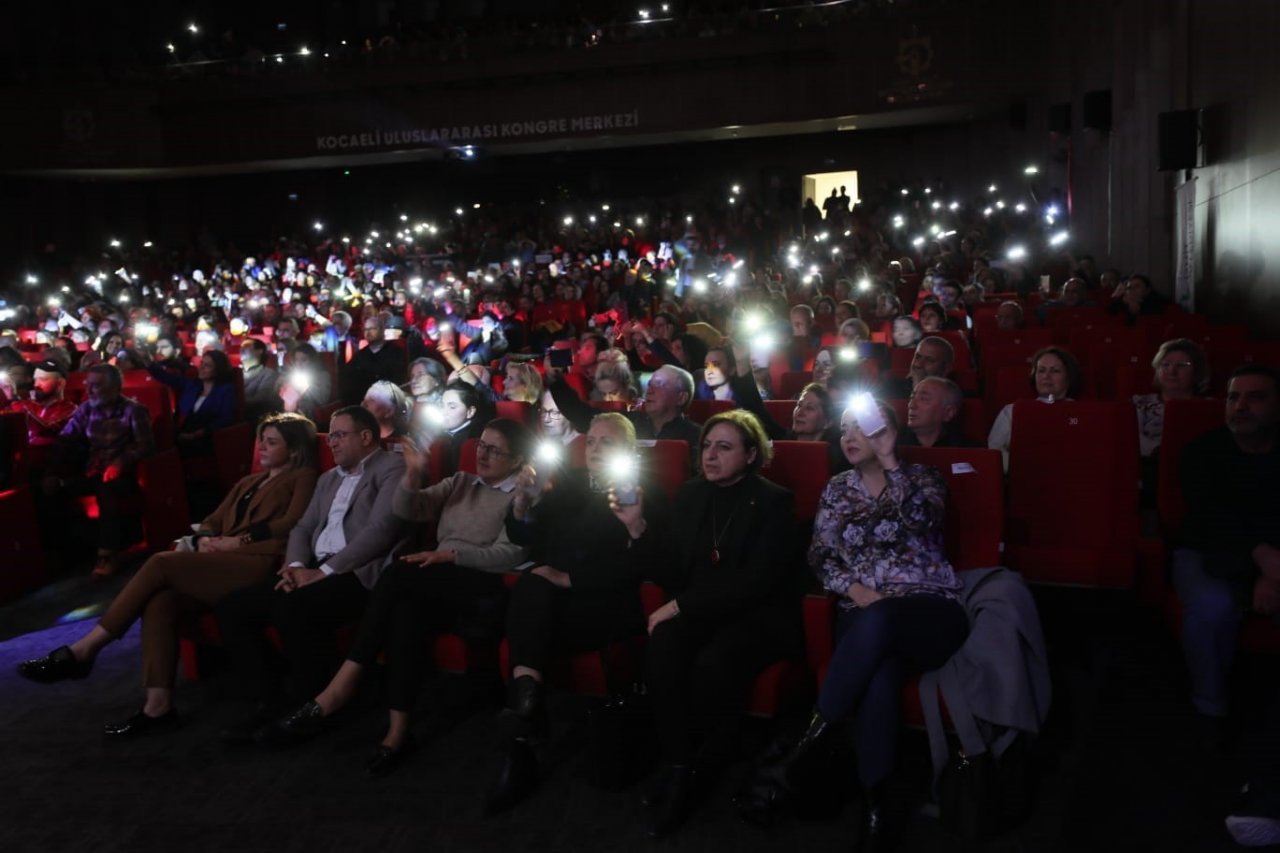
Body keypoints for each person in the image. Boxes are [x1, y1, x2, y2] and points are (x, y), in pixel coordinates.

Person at [17, 414, 319, 735]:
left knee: (160, 563)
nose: (261, 447)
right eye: (261, 440)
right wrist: (204, 537)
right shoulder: (249, 481)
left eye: (272, 442)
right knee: (161, 601)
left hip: (257, 562)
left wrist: (237, 540)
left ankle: (85, 649)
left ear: (295, 449)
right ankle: (158, 707)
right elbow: (213, 519)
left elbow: (292, 522)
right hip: (219, 559)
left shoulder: (302, 476)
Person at [757, 398, 966, 849]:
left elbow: (923, 520)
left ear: (885, 432)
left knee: (886, 616)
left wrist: (891, 459)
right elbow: (821, 557)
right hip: (863, 614)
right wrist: (854, 590)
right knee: (881, 677)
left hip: (928, 611)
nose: (848, 437)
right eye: (844, 430)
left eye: (861, 429)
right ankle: (877, 806)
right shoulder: (836, 489)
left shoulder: (924, 479)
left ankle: (806, 748)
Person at [269, 419, 532, 776]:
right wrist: (411, 477)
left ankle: (342, 685)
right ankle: (397, 733)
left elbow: (511, 555)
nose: (482, 455)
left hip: (482, 586)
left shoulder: (522, 495)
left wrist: (451, 556)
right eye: (481, 446)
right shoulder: (460, 482)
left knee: (399, 573)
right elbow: (412, 509)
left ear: (517, 459)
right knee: (405, 611)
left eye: (494, 450)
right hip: (437, 582)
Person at [628, 409, 801, 837]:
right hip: (700, 609)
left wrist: (681, 606)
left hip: (756, 616)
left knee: (713, 662)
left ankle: (705, 761)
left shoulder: (774, 500)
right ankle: (679, 764)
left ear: (749, 455)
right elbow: (669, 569)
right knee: (663, 645)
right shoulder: (689, 495)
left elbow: (758, 583)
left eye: (724, 447)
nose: (710, 455)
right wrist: (637, 528)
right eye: (706, 446)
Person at [483, 413, 668, 812]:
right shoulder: (569, 488)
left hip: (606, 605)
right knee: (532, 587)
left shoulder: (644, 492)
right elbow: (527, 536)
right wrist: (522, 503)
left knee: (531, 600)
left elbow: (649, 567)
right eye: (592, 442)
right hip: (552, 602)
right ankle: (525, 719)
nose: (596, 449)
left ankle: (521, 740)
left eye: (608, 443)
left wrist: (572, 578)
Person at [215, 406, 410, 740]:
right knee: (233, 607)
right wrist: (294, 567)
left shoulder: (392, 467)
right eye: (329, 435)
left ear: (365, 437)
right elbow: (303, 528)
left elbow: (382, 530)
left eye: (338, 435)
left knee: (294, 607)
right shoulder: (327, 479)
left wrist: (326, 572)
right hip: (314, 569)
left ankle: (312, 706)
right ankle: (271, 697)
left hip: (358, 573)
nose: (330, 443)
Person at [1173, 366, 1280, 738]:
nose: (1241, 406)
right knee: (1213, 607)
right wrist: (1264, 560)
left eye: (1256, 397)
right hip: (1207, 550)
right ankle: (1209, 706)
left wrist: (1270, 569)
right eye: (1234, 397)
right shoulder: (1202, 452)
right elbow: (1211, 517)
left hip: (1273, 557)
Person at [49, 364, 155, 577]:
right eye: (89, 385)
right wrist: (52, 470)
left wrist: (121, 462)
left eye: (97, 386)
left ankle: (107, 555)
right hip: (93, 471)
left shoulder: (133, 410)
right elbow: (66, 438)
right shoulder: (86, 409)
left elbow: (146, 445)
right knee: (52, 488)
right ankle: (60, 554)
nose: (90, 390)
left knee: (106, 490)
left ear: (115, 387)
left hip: (125, 475)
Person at [987, 346, 1081, 470]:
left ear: (1068, 377)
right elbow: (994, 451)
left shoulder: (1081, 413)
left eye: (1055, 371)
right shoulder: (1012, 411)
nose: (1046, 376)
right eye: (1041, 370)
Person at [147, 349, 237, 458]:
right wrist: (148, 362)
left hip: (207, 437)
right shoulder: (192, 385)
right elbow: (165, 377)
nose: (201, 368)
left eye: (207, 365)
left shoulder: (226, 390)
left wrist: (196, 434)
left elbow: (225, 419)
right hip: (182, 432)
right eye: (201, 363)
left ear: (218, 370)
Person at [1134, 338, 1211, 457]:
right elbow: (1129, 437)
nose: (1172, 371)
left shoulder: (1210, 408)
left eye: (1181, 365)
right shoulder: (1138, 403)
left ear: (1197, 371)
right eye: (1165, 364)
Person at [626, 365, 702, 456]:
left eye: (659, 384)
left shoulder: (696, 437)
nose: (649, 391)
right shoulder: (629, 426)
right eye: (650, 384)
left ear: (681, 398)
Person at [5, 358, 77, 449]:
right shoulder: (27, 404)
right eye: (35, 379)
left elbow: (47, 430)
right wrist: (6, 395)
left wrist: (22, 411)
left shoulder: (71, 410)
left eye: (43, 379)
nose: (36, 385)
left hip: (49, 458)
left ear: (60, 383)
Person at [340, 314, 406, 404]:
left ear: (382, 330)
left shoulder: (395, 352)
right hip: (361, 401)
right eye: (366, 329)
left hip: (386, 401)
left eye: (372, 328)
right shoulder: (359, 355)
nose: (368, 332)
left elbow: (397, 380)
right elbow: (348, 378)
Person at [899, 376, 980, 448]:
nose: (911, 405)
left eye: (924, 399)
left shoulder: (969, 450)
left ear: (948, 413)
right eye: (912, 397)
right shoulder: (893, 442)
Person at [882, 336, 955, 399]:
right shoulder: (888, 389)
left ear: (946, 368)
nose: (918, 364)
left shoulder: (953, 397)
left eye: (929, 360)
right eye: (917, 357)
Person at [278, 343, 332, 421]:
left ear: (312, 361)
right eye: (296, 360)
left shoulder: (322, 375)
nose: (299, 364)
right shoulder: (290, 375)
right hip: (288, 410)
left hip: (308, 411)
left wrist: (306, 387)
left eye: (304, 360)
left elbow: (323, 399)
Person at [240, 338, 281, 425]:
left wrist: (234, 403)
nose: (241, 349)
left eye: (246, 346)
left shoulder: (268, 374)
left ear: (259, 351)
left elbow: (261, 399)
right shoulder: (236, 373)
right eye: (241, 347)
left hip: (255, 420)